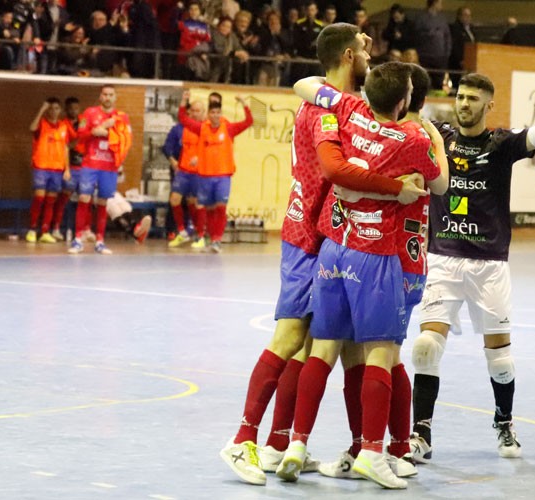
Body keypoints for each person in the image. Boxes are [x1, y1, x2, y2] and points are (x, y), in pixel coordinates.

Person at [218, 24, 425, 486]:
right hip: (308, 236)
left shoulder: (338, 102)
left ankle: (280, 443)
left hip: (331, 239)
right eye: (367, 46)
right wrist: (398, 190)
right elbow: (334, 168)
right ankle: (242, 439)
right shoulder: (328, 108)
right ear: (349, 55)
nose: (373, 51)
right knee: (291, 336)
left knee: (321, 344)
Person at [277, 60, 447, 490]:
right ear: (407, 100)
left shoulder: (348, 112)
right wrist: (437, 142)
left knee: (323, 347)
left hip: (333, 249)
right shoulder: (413, 139)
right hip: (381, 257)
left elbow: (304, 84)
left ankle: (297, 444)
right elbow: (440, 184)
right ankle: (379, 449)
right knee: (383, 353)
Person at [408, 53, 535, 462]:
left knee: (500, 357)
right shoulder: (439, 136)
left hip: (490, 265)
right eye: (461, 96)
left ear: (489, 105)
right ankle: (421, 434)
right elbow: (394, 110)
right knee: (426, 347)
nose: (464, 103)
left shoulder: (502, 144)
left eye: (473, 98)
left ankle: (504, 421)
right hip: (444, 258)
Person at [177, 91, 253, 253]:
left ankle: (217, 239)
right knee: (207, 209)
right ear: (208, 114)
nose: (215, 115)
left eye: (218, 112)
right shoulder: (202, 128)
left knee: (221, 207)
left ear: (221, 114)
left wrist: (244, 104)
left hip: (223, 176)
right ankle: (208, 238)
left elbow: (249, 122)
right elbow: (183, 119)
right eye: (212, 112)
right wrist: (184, 101)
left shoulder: (229, 129)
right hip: (205, 176)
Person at [68, 84, 133, 255]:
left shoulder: (122, 117)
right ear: (100, 96)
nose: (108, 97)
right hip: (91, 164)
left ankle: (100, 241)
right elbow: (80, 135)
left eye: (111, 94)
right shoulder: (89, 113)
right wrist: (95, 131)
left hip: (109, 166)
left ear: (115, 97)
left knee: (103, 202)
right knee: (84, 197)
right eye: (105, 94)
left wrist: (107, 134)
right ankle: (77, 240)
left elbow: (126, 140)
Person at [27, 97, 77, 244]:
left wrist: (67, 168)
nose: (53, 111)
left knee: (50, 201)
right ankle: (31, 230)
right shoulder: (42, 123)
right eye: (51, 108)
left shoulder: (63, 126)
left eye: (56, 108)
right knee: (39, 198)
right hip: (41, 167)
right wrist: (42, 109)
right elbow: (32, 128)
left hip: (57, 169)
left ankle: (45, 232)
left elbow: (66, 148)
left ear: (60, 110)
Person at [163, 99, 205, 248]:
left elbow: (213, 150)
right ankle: (182, 232)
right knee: (174, 199)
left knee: (194, 203)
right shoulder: (183, 127)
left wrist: (200, 157)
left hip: (199, 172)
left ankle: (200, 235)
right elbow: (168, 147)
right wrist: (181, 101)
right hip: (183, 171)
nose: (194, 113)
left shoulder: (206, 128)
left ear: (203, 113)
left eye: (197, 111)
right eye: (192, 110)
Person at [51, 97, 84, 241]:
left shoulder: (84, 121)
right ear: (66, 109)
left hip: (85, 167)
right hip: (70, 167)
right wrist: (66, 169)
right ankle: (56, 228)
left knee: (85, 199)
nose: (74, 111)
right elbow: (66, 146)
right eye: (71, 108)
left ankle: (84, 231)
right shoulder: (63, 124)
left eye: (76, 108)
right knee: (63, 199)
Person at [412, 0, 450, 89]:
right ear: (434, 3)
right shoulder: (421, 18)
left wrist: (446, 53)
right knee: (423, 82)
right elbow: (416, 35)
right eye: (440, 3)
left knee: (438, 82)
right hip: (425, 55)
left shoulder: (442, 19)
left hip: (440, 56)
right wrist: (431, 33)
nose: (441, 5)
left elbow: (447, 37)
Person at [448, 6, 475, 88]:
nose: (468, 18)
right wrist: (460, 60)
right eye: (465, 15)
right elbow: (455, 46)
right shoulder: (455, 29)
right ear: (459, 16)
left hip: (470, 63)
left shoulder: (472, 30)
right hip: (458, 64)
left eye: (469, 15)